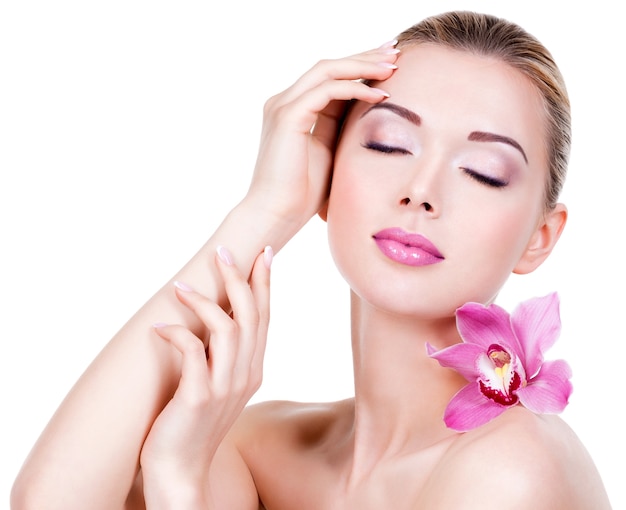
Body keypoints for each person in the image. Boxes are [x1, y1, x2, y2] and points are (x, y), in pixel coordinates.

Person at [10, 10, 611, 509]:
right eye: (388, 143)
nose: (421, 189)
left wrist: (179, 486)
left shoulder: (512, 471)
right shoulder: (263, 443)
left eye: (484, 172)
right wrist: (267, 209)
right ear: (328, 171)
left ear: (540, 237)